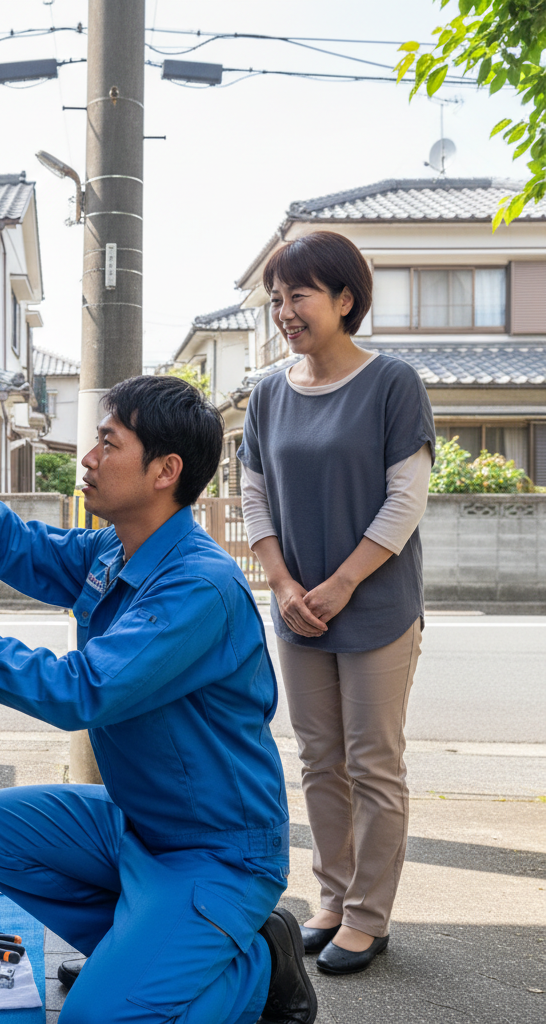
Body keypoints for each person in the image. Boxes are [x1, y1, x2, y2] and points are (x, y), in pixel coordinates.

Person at [0, 374, 318, 1024]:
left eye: (108, 443)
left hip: (216, 851)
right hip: (137, 822)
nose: (87, 458)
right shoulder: (117, 547)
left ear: (165, 471)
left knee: (92, 1020)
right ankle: (133, 951)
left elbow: (82, 690)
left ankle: (258, 969)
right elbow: (24, 550)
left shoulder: (198, 586)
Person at [238, 231, 435, 976]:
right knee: (320, 760)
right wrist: (282, 583)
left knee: (373, 763)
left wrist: (343, 583)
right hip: (298, 609)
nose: (285, 312)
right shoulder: (267, 393)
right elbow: (253, 495)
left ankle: (369, 917)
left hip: (377, 607)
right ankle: (334, 897)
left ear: (346, 299)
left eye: (300, 295)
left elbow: (405, 499)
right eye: (277, 299)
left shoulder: (393, 384)